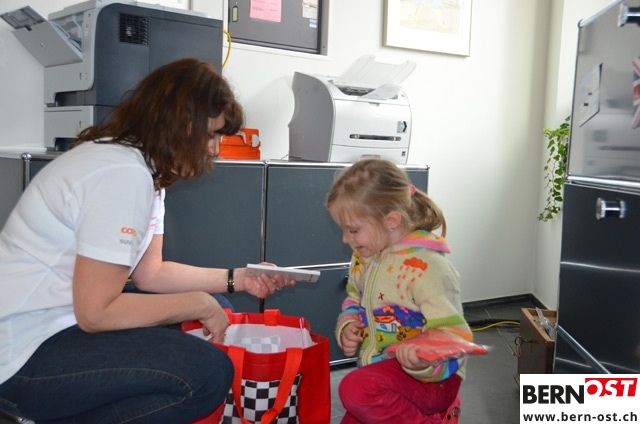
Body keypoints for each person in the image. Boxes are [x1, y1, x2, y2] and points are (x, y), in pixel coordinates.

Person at [0, 58, 294, 423]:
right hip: (22, 353)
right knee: (207, 373)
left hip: (60, 322)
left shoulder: (144, 169)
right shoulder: (122, 175)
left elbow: (150, 274)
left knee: (217, 304)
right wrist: (199, 304)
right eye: (211, 135)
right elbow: (96, 313)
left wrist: (238, 279)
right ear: (179, 124)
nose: (215, 149)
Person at [326, 158, 472, 423]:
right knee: (355, 408)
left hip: (433, 379)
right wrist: (347, 325)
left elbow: (454, 335)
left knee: (355, 389)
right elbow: (354, 298)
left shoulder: (429, 268)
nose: (346, 239)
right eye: (343, 230)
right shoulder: (364, 259)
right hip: (383, 373)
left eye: (353, 230)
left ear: (391, 220)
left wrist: (423, 359)